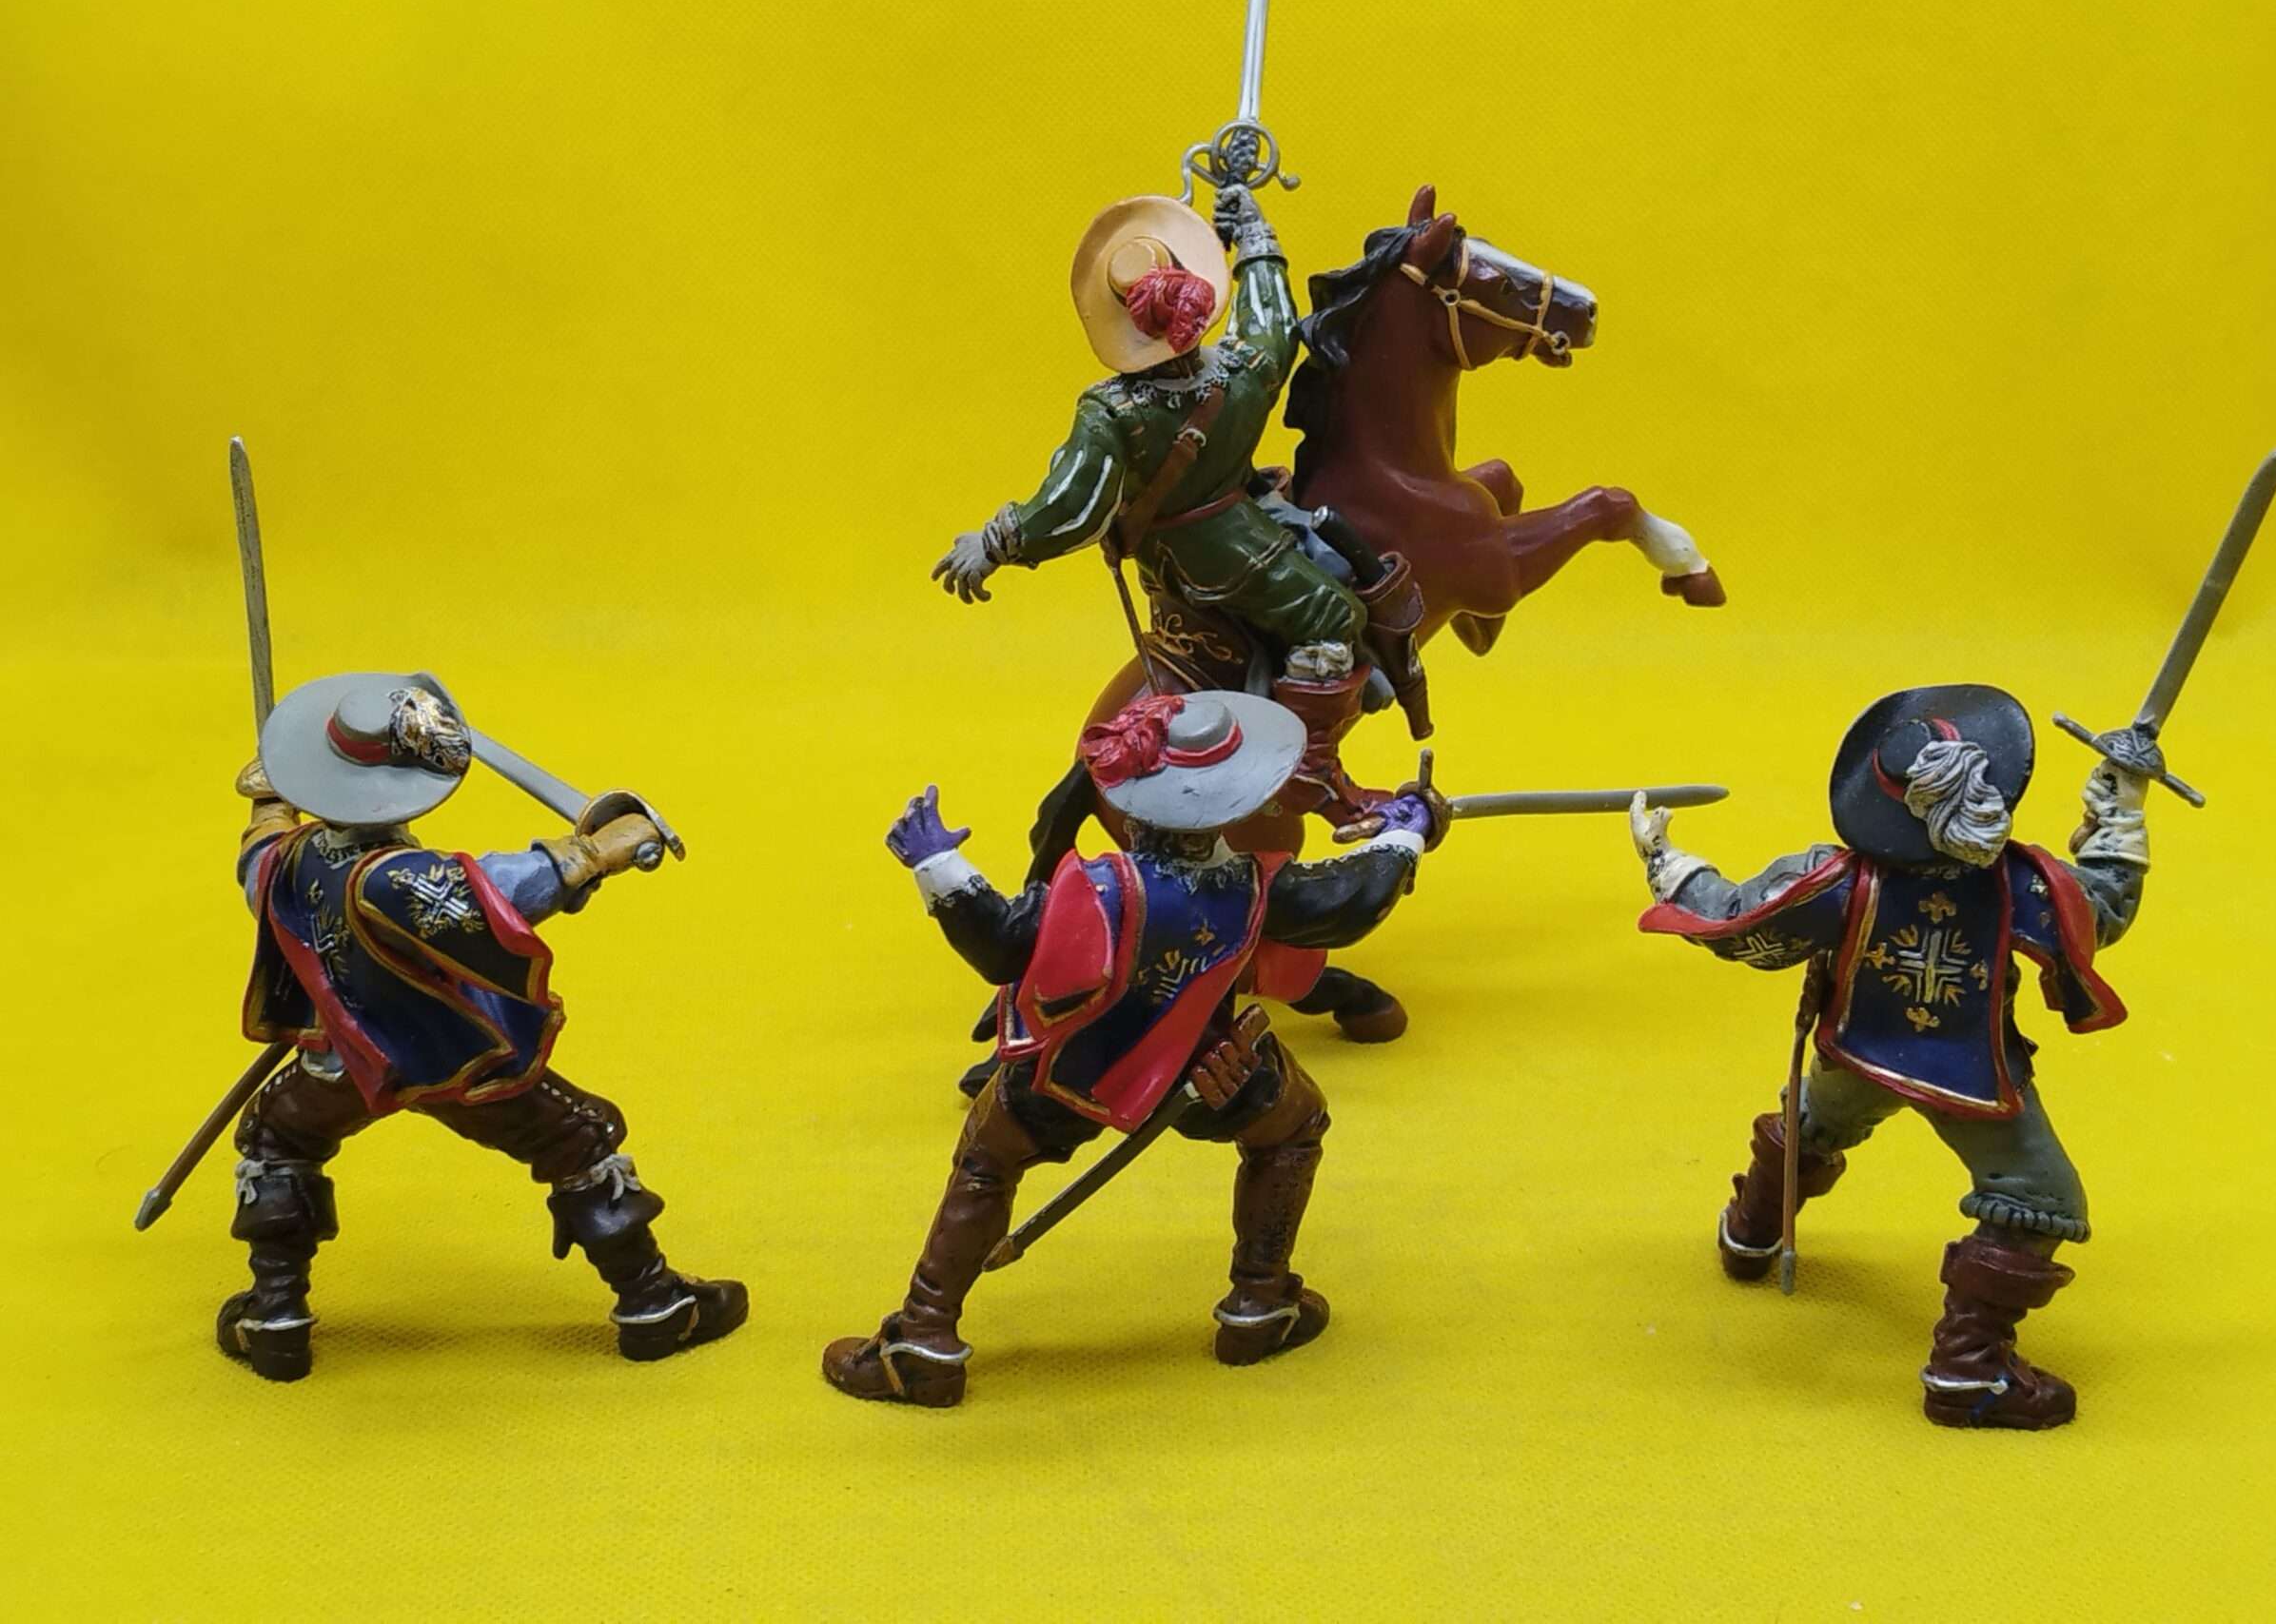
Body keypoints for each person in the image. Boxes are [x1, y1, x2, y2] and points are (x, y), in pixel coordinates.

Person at [824, 691, 1446, 1407]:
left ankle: (922, 1339)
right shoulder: (1258, 888)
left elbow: (999, 943)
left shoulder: (1095, 889)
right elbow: (1351, 898)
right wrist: (1405, 833)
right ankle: (1261, 1301)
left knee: (988, 1163)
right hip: (1208, 1069)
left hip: (1070, 1073)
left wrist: (937, 863)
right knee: (1292, 1127)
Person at [1632, 684, 2149, 1429]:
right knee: (2042, 1201)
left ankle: (1751, 1229)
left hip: (1857, 1052)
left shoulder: (1845, 880)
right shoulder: (2020, 884)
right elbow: (2102, 904)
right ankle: (1968, 1369)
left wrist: (1668, 863)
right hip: (1968, 1076)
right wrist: (2120, 812)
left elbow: (1737, 913)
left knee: (1815, 1124)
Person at [217, 669, 744, 1381]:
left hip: (341, 1063)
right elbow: (505, 890)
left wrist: (271, 802)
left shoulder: (290, 858)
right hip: (450, 1063)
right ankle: (653, 1301)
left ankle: (275, 1315)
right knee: (577, 1139)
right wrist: (601, 852)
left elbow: (256, 856)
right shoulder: (393, 878)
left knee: (278, 1140)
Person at [930, 186, 1425, 814]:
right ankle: (1312, 773)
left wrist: (995, 543)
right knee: (1330, 615)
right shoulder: (1241, 371)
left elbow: (1074, 506)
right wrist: (1256, 239)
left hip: (1203, 534)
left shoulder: (1113, 412)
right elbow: (1273, 323)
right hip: (1214, 547)